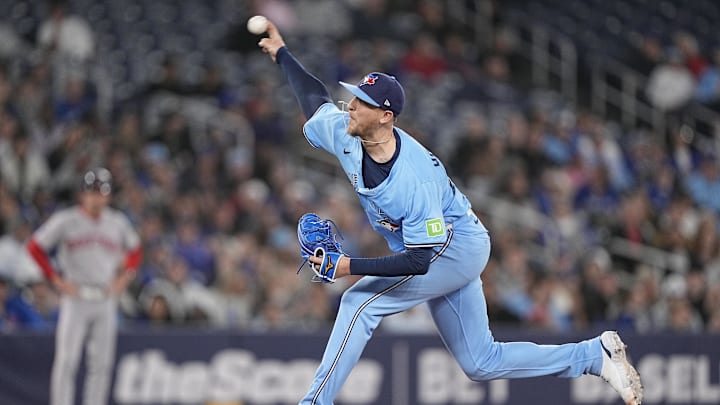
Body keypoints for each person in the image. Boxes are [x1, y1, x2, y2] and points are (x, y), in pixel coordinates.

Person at [257, 21, 644, 405]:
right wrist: (283, 54)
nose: (352, 105)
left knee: (358, 303)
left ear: (386, 116)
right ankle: (592, 356)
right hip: (440, 247)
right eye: (355, 97)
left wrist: (348, 266)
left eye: (362, 102)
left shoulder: (414, 178)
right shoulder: (346, 131)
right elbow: (314, 101)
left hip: (455, 246)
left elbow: (420, 260)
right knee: (481, 361)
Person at [26, 167, 142, 405]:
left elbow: (136, 250)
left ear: (109, 196)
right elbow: (35, 247)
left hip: (105, 298)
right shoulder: (67, 220)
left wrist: (125, 277)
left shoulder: (117, 222)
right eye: (93, 192)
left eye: (102, 192)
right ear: (83, 194)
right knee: (67, 361)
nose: (97, 197)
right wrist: (55, 278)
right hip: (75, 297)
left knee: (101, 364)